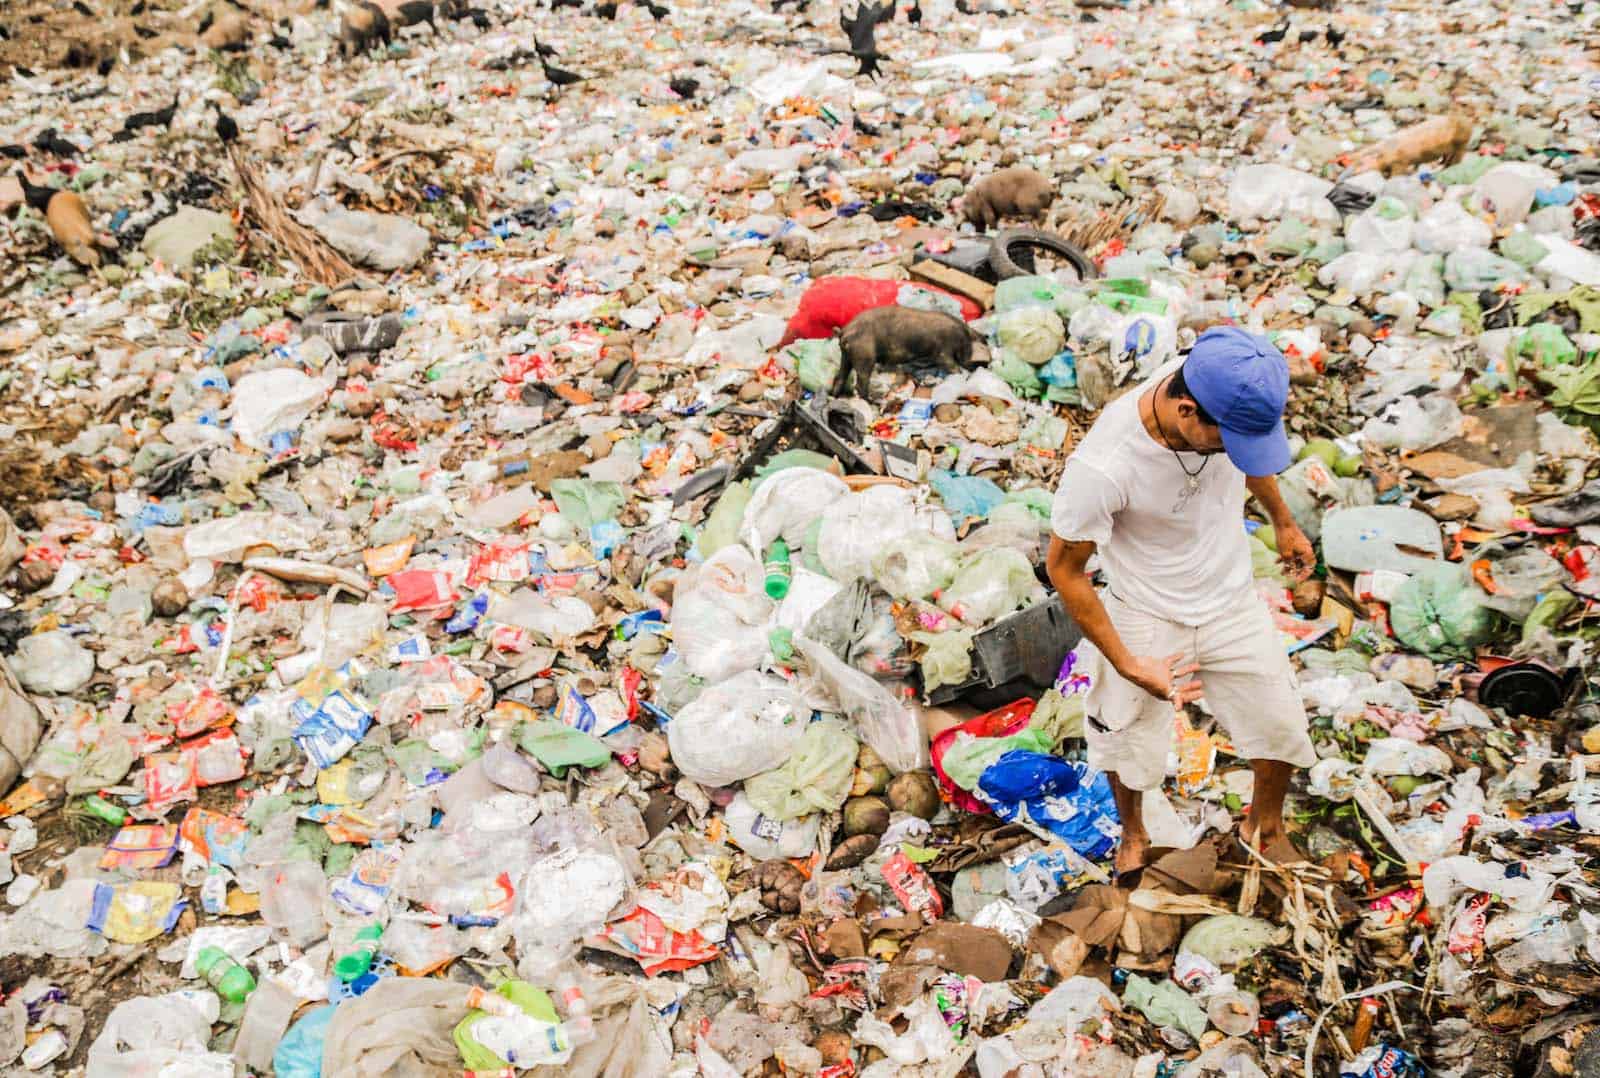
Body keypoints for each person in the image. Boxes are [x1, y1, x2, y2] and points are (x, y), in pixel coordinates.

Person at [1044, 326, 1317, 881]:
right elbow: (1064, 570)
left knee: (1281, 726)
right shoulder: (1105, 467)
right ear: (1186, 411)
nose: (1234, 454)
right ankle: (1135, 832)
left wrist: (1283, 522)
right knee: (1125, 738)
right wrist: (1125, 661)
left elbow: (1248, 454)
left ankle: (1263, 826)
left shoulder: (1219, 385)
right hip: (1145, 610)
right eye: (1227, 441)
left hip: (1231, 599)